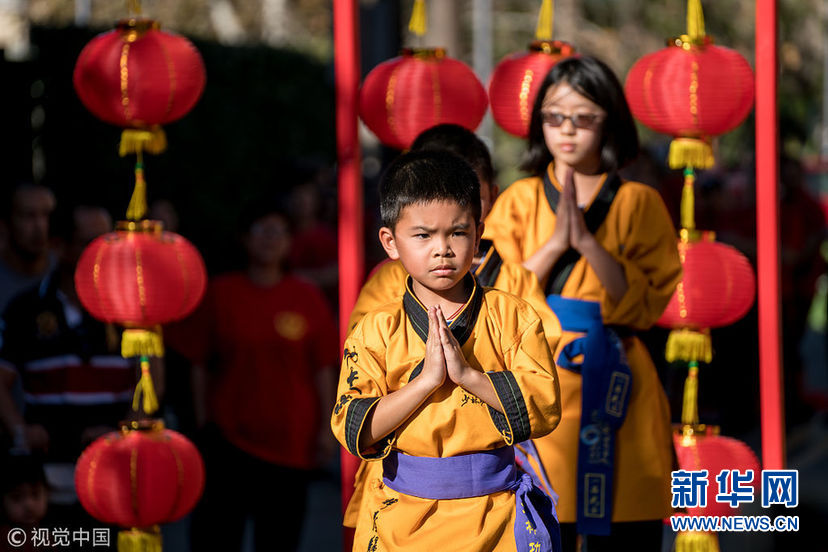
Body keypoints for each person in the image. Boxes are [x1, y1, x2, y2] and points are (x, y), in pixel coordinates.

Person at [483, 56, 682, 551]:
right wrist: (555, 245)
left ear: (609, 121)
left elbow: (648, 302)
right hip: (537, 376)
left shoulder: (639, 202)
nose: (567, 130)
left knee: (627, 527)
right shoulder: (519, 200)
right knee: (541, 522)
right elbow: (496, 297)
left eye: (583, 117)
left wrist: (590, 244)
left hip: (617, 378)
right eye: (554, 117)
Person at [331, 150, 563, 551]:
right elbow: (353, 427)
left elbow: (543, 405)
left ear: (478, 232)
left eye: (457, 232)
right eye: (423, 235)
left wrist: (470, 377)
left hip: (494, 515)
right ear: (390, 242)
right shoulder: (377, 328)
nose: (442, 249)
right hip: (400, 519)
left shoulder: (513, 316)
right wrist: (425, 383)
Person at [173, 199, 339, 552]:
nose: (270, 239)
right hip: (228, 443)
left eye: (279, 232)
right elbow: (198, 363)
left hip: (290, 444)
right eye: (262, 230)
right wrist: (202, 423)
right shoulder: (220, 292)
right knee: (216, 540)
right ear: (245, 239)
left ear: (289, 241)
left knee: (279, 541)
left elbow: (323, 368)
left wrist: (326, 430)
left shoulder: (306, 296)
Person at [0, 203, 136, 526]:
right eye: (91, 242)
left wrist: (124, 431)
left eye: (109, 241)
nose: (104, 252)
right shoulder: (25, 309)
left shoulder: (131, 306)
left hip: (114, 470)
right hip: (48, 477)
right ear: (59, 246)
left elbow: (151, 382)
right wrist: (20, 430)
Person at [0, 182, 56, 316]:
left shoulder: (65, 275)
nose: (40, 226)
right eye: (28, 216)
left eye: (46, 215)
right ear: (6, 223)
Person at [0, 454, 49, 552]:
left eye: (35, 494)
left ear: (47, 494)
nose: (29, 505)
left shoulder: (49, 537)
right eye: (16, 497)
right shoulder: (4, 541)